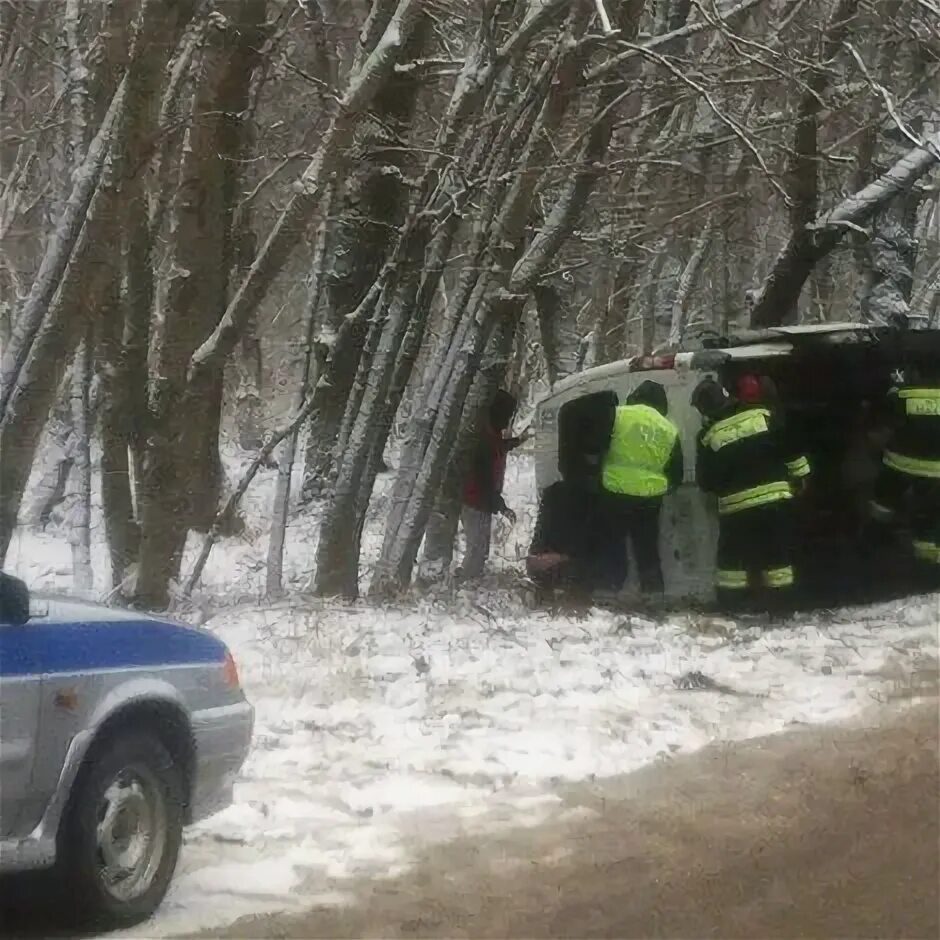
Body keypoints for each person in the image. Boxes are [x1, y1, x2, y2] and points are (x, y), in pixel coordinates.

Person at [691, 376, 811, 612]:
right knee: (778, 559)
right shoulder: (763, 416)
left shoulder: (707, 437)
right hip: (775, 502)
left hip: (736, 511)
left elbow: (706, 482)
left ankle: (733, 608)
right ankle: (783, 608)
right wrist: (801, 477)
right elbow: (790, 448)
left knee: (732, 566)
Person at [601, 380, 683, 594]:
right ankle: (653, 595)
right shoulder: (669, 428)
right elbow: (677, 473)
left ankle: (611, 591)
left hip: (614, 491)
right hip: (649, 498)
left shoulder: (617, 415)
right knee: (647, 550)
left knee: (613, 546)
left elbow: (598, 445)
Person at [870, 366, 940, 582]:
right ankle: (928, 568)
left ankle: (875, 544)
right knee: (930, 520)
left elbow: (882, 417)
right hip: (936, 471)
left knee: (883, 507)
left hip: (902, 464)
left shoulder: (903, 391)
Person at [460, 390, 525, 580]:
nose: (507, 422)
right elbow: (485, 480)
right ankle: (466, 582)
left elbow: (498, 447)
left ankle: (468, 580)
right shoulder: (482, 441)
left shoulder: (490, 434)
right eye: (507, 416)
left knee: (479, 548)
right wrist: (502, 507)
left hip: (480, 501)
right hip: (475, 501)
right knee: (478, 549)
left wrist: (518, 441)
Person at [526, 480, 627, 595]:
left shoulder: (599, 501)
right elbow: (537, 547)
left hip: (588, 572)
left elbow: (602, 552)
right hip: (569, 568)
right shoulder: (554, 494)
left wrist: (561, 557)